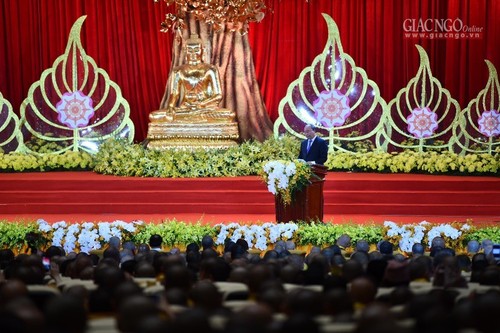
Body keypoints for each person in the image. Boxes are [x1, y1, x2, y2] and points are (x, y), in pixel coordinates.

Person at [149, 34, 236, 124]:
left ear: (202, 51)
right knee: (153, 116)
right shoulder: (178, 71)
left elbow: (218, 95)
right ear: (185, 51)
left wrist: (201, 104)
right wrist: (171, 107)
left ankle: (191, 120)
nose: (193, 53)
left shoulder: (210, 69)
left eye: (196, 50)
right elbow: (174, 93)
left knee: (229, 115)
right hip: (186, 108)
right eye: (190, 50)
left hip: (206, 109)